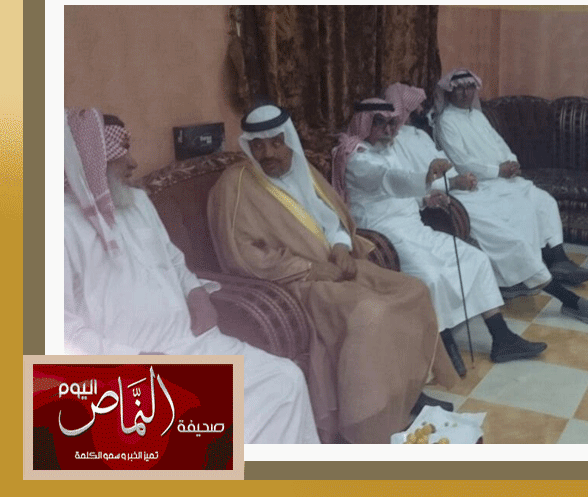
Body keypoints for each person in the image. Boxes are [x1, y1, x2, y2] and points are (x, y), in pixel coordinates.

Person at [63, 108, 320, 444]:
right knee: (206, 431)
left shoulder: (136, 201)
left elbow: (172, 259)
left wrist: (196, 292)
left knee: (285, 380)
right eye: (120, 152)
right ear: (89, 159)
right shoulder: (59, 226)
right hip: (132, 367)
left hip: (195, 343)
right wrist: (128, 361)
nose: (133, 163)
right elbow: (58, 326)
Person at [207, 103, 459, 444]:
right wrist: (312, 269)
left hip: (338, 265)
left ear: (289, 140)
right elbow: (243, 256)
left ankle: (407, 393)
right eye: (259, 145)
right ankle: (367, 422)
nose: (268, 154)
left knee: (414, 290)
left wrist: (341, 246)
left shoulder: (303, 169)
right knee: (371, 313)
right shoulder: (235, 187)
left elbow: (332, 218)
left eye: (276, 143)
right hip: (294, 283)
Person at [332, 97, 548, 378]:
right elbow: (390, 179)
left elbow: (402, 193)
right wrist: (426, 177)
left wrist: (426, 199)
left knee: (476, 259)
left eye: (391, 122)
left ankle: (502, 338)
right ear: (362, 124)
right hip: (384, 233)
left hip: (415, 228)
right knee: (431, 276)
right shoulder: (355, 157)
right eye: (379, 122)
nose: (387, 129)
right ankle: (444, 348)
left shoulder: (388, 150)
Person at [383, 82, 588, 328]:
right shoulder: (393, 144)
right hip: (446, 200)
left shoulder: (418, 135)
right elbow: (414, 184)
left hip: (463, 190)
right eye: (413, 106)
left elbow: (446, 164)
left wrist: (463, 178)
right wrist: (454, 183)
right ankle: (567, 299)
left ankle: (517, 280)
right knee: (509, 240)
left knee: (518, 210)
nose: (419, 110)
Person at [431, 68, 588, 287]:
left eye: (469, 88)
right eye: (459, 89)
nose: (465, 93)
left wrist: (512, 161)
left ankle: (559, 259)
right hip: (482, 183)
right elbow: (462, 162)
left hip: (505, 178)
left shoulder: (477, 115)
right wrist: (498, 171)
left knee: (544, 201)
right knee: (521, 209)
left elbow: (500, 143)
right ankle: (535, 267)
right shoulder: (446, 122)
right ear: (449, 92)